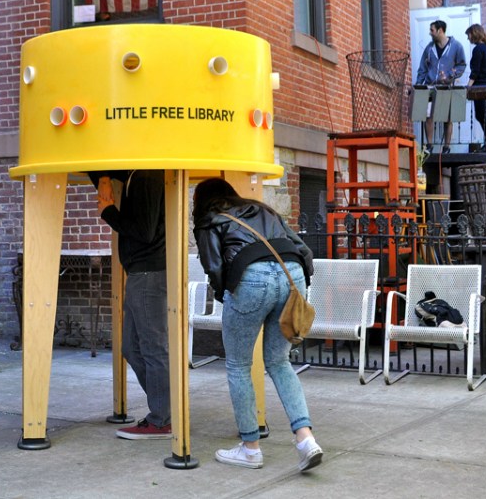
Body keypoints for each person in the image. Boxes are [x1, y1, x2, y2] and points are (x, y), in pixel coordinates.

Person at [192, 178, 322, 471]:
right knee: (278, 361)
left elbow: (213, 267)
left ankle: (250, 449)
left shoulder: (208, 219)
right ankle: (306, 440)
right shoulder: (262, 209)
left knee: (238, 365)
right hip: (293, 274)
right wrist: (300, 287)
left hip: (250, 277)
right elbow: (304, 251)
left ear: (200, 200)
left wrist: (230, 294)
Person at [91, 170, 170, 439]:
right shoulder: (136, 174)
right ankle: (166, 410)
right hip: (142, 275)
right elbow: (105, 167)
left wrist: (109, 212)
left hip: (148, 276)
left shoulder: (147, 176)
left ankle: (162, 419)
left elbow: (145, 231)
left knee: (152, 348)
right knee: (132, 348)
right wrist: (101, 178)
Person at [416, 20, 467, 154]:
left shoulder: (456, 46)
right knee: (428, 115)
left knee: (447, 117)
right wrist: (418, 85)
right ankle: (429, 145)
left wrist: (451, 75)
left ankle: (447, 147)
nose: (430, 33)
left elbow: (462, 65)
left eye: (432, 30)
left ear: (440, 30)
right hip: (431, 86)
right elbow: (422, 68)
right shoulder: (429, 48)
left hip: (446, 87)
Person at [464, 24, 486, 152]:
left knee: (481, 114)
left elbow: (475, 71)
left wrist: (468, 86)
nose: (468, 38)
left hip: (480, 86)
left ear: (474, 33)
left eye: (469, 35)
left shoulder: (478, 50)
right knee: (481, 114)